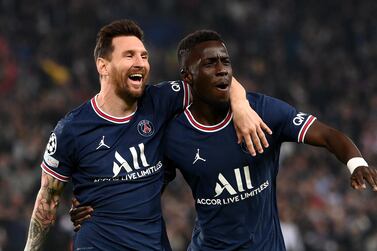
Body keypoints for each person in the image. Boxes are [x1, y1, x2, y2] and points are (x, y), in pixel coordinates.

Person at [70, 29, 377, 250]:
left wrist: (355, 162)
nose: (222, 70)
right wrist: (96, 209)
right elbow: (142, 186)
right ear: (187, 77)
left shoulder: (263, 111)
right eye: (210, 64)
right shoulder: (174, 134)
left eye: (225, 61)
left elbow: (326, 134)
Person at [24, 20, 271, 250]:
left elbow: (214, 78)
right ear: (103, 65)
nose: (140, 62)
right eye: (129, 55)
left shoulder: (159, 101)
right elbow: (47, 201)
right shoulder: (72, 129)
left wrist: (241, 106)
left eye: (144, 56)